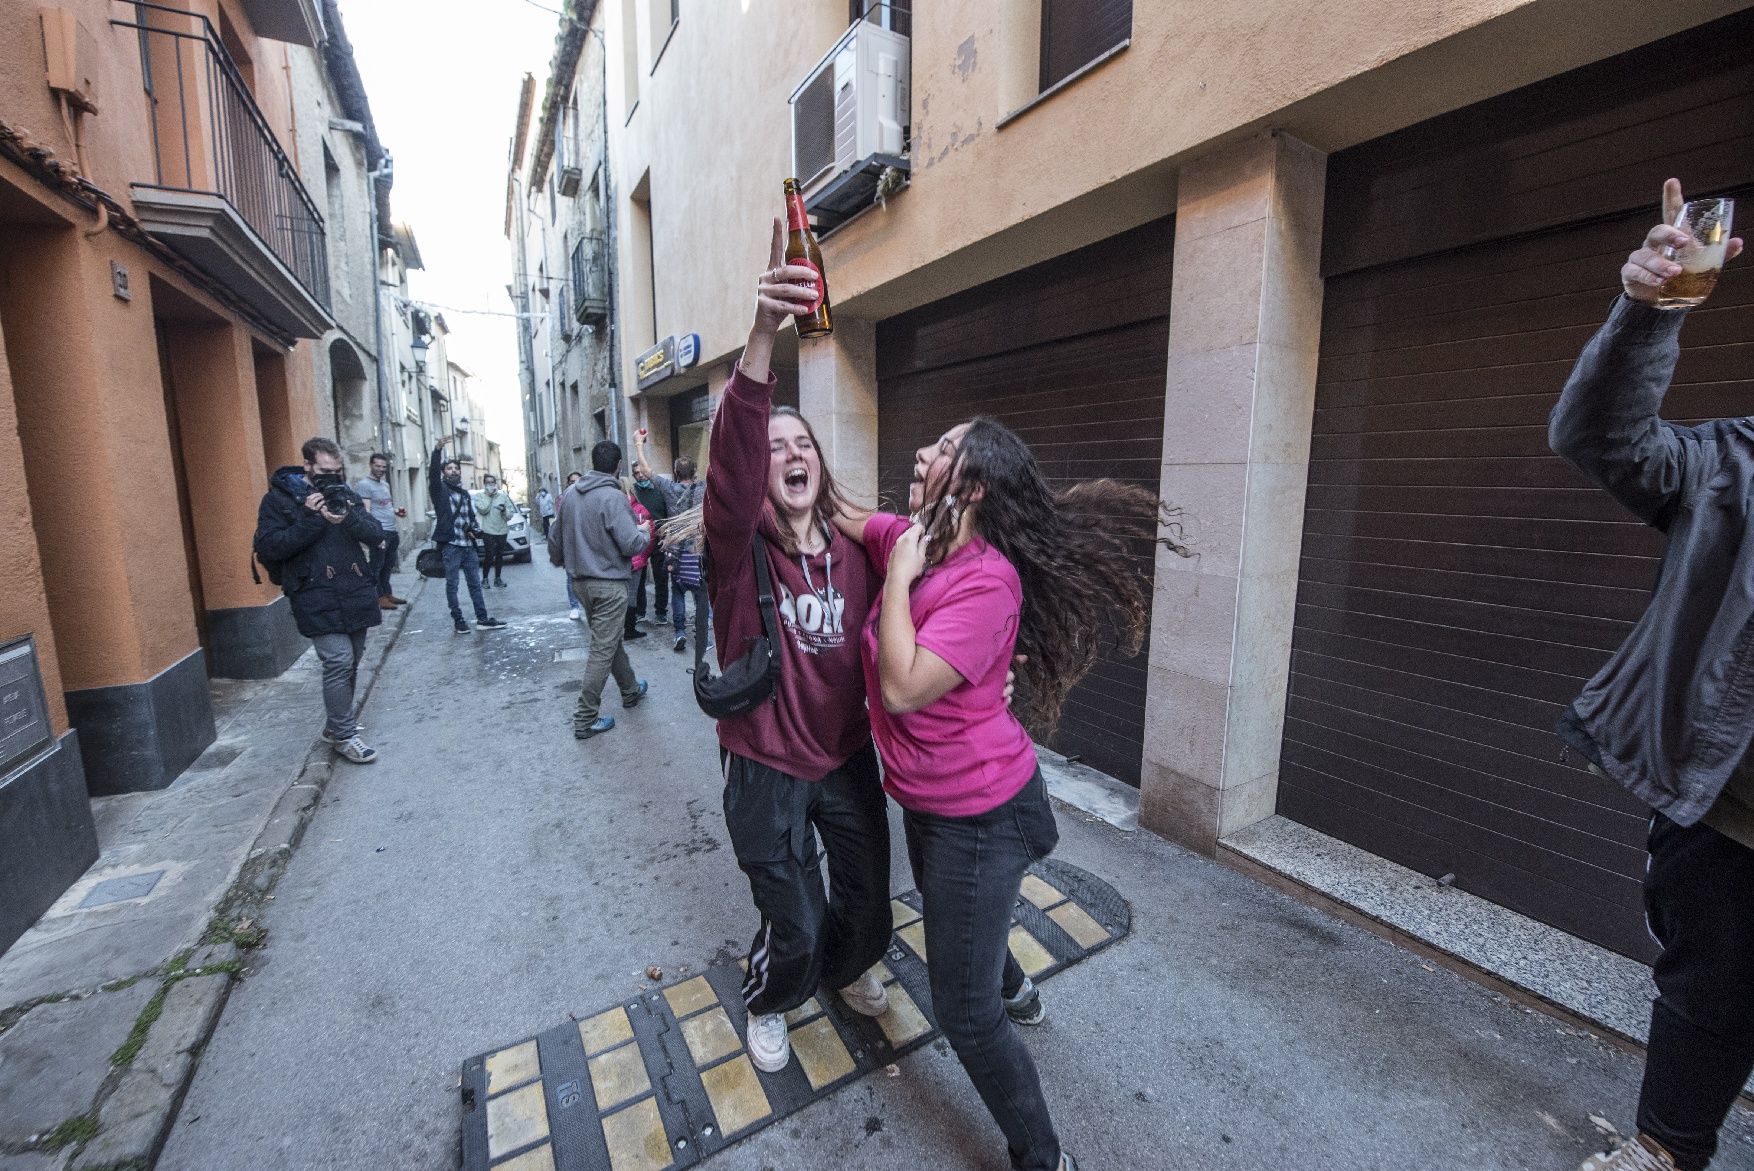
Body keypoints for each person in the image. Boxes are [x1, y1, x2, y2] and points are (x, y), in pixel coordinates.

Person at [1550, 179, 1749, 1171]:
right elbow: (1598, 438)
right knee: (1701, 1002)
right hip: (1723, 818)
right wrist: (1648, 310)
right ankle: (1663, 1154)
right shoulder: (1736, 466)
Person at [697, 219, 892, 1077]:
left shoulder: (855, 547)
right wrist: (762, 336)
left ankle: (841, 975)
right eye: (775, 447)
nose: (789, 452)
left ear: (820, 461)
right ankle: (773, 995)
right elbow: (730, 478)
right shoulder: (738, 555)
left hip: (845, 757)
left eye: (801, 441)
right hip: (767, 763)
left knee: (869, 907)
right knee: (795, 916)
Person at [255, 437, 386, 765]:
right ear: (308, 467)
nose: (330, 476)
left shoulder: (345, 495)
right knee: (338, 661)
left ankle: (335, 725)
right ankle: (344, 736)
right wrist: (311, 520)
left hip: (354, 587)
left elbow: (376, 534)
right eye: (324, 471)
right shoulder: (280, 501)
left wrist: (349, 516)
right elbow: (270, 548)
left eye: (336, 471)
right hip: (313, 592)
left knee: (354, 659)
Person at [559, 441, 650, 739]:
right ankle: (585, 718)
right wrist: (644, 533)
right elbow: (631, 544)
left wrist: (569, 562)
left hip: (581, 583)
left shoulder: (570, 494)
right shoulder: (613, 497)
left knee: (608, 641)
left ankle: (630, 690)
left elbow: (554, 538)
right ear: (619, 465)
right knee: (602, 647)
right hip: (609, 584)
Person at [428, 438, 506, 635]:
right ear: (443, 473)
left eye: (456, 468)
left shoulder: (464, 494)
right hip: (451, 546)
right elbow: (432, 475)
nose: (453, 471)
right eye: (449, 469)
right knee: (452, 584)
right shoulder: (439, 491)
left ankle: (482, 618)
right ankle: (459, 620)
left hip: (467, 545)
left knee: (475, 584)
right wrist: (437, 451)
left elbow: (470, 517)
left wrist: (474, 529)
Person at [354, 453, 407, 610]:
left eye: (384, 467)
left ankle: (387, 593)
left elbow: (385, 506)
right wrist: (374, 534)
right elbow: (366, 511)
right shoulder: (364, 485)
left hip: (391, 530)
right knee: (376, 566)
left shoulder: (385, 485)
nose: (381, 469)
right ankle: (378, 597)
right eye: (377, 466)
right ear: (371, 465)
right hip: (380, 532)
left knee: (388, 565)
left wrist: (397, 511)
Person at [629, 445, 672, 626]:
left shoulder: (659, 489)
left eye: (641, 472)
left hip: (660, 539)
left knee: (661, 576)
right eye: (636, 473)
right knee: (638, 578)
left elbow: (669, 511)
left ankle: (661, 611)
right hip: (640, 539)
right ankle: (640, 611)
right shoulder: (633, 493)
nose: (640, 475)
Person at [621, 478, 652, 642]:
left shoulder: (614, 508)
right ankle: (630, 630)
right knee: (631, 595)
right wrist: (644, 555)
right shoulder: (638, 509)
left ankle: (623, 628)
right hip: (636, 559)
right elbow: (649, 535)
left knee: (622, 595)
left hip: (620, 560)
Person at [474, 473, 515, 588]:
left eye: (493, 483)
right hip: (488, 531)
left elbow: (509, 515)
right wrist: (489, 496)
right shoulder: (480, 496)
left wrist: (504, 510)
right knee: (489, 555)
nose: (491, 485)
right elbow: (483, 510)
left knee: (500, 555)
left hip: (502, 530)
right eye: (488, 483)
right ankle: (485, 579)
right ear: (484, 484)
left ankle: (498, 578)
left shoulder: (502, 496)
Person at [560, 471, 585, 620]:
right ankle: (574, 606)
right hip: (570, 544)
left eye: (578, 481)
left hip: (588, 544)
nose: (575, 484)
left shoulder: (590, 497)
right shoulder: (563, 500)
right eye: (571, 481)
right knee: (571, 578)